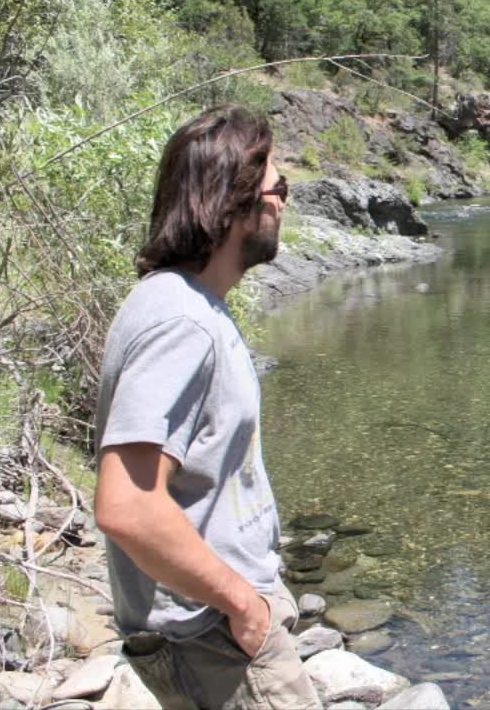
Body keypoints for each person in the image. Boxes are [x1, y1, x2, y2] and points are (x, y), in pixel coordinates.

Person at [93, 105, 321, 709]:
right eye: (279, 188)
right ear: (237, 201)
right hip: (209, 637)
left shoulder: (179, 304)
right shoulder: (181, 322)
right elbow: (128, 505)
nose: (283, 204)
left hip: (210, 631)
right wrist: (241, 604)